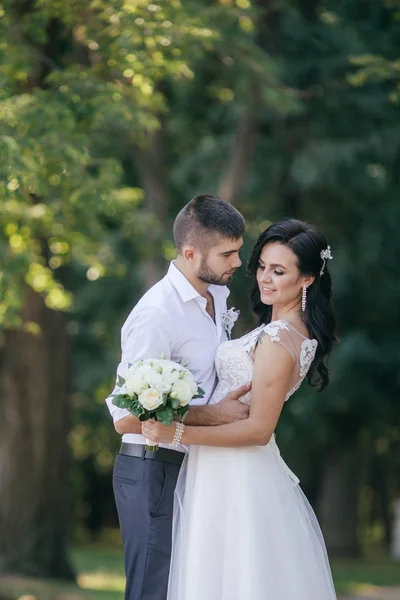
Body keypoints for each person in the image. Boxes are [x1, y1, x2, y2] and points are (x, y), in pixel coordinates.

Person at [142, 218, 338, 600]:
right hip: (220, 467)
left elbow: (257, 429)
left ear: (307, 280)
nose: (265, 278)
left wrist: (177, 432)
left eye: (279, 271)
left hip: (240, 473)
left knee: (235, 577)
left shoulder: (280, 340)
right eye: (262, 266)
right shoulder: (279, 329)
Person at [105, 194, 251, 600]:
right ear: (191, 253)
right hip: (153, 470)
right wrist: (217, 415)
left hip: (197, 466)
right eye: (228, 254)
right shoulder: (157, 314)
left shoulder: (217, 296)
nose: (238, 263)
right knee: (152, 590)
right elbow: (125, 417)